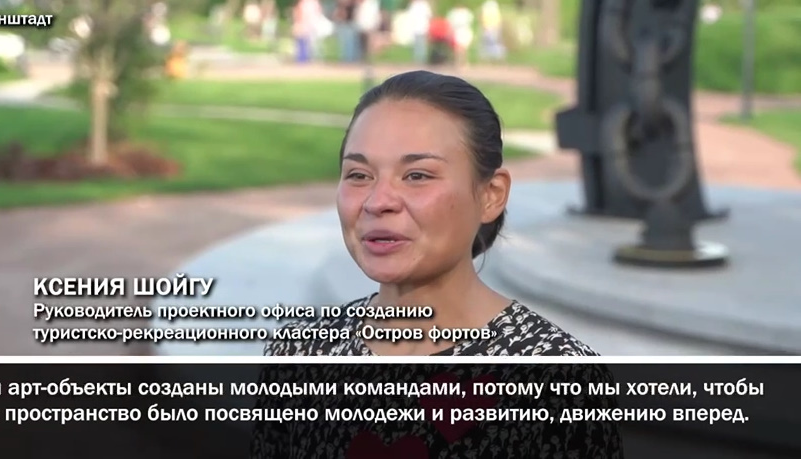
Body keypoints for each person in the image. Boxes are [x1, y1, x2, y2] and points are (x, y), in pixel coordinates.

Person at [252, 71, 622, 459]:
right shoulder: (300, 353)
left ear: (491, 195)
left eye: (417, 175)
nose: (378, 202)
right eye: (359, 175)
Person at [447, 3, 474, 67]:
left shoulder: (467, 13)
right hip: (457, 31)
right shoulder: (454, 13)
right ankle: (457, 62)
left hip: (464, 30)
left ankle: (464, 62)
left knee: (464, 47)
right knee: (457, 47)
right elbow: (450, 22)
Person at [406, 0, 431, 64]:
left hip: (422, 27)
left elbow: (429, 16)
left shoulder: (423, 5)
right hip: (416, 27)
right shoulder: (415, 5)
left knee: (421, 44)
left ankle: (421, 59)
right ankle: (418, 58)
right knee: (417, 44)